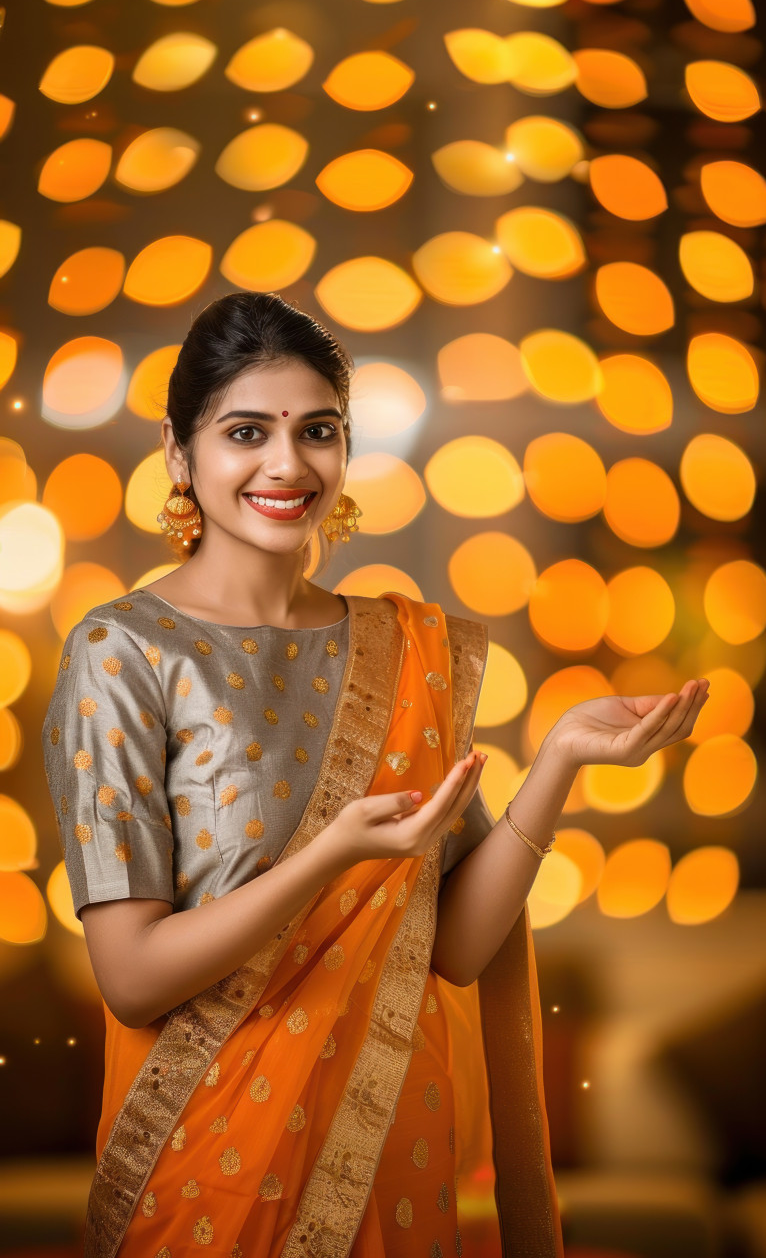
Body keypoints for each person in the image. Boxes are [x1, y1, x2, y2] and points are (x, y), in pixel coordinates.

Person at [42, 291, 709, 1258]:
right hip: (206, 1170)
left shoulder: (406, 648)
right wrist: (331, 859)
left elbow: (459, 952)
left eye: (318, 430)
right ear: (179, 453)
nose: (286, 464)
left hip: (392, 1164)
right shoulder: (123, 653)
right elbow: (133, 979)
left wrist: (559, 761)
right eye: (245, 431)